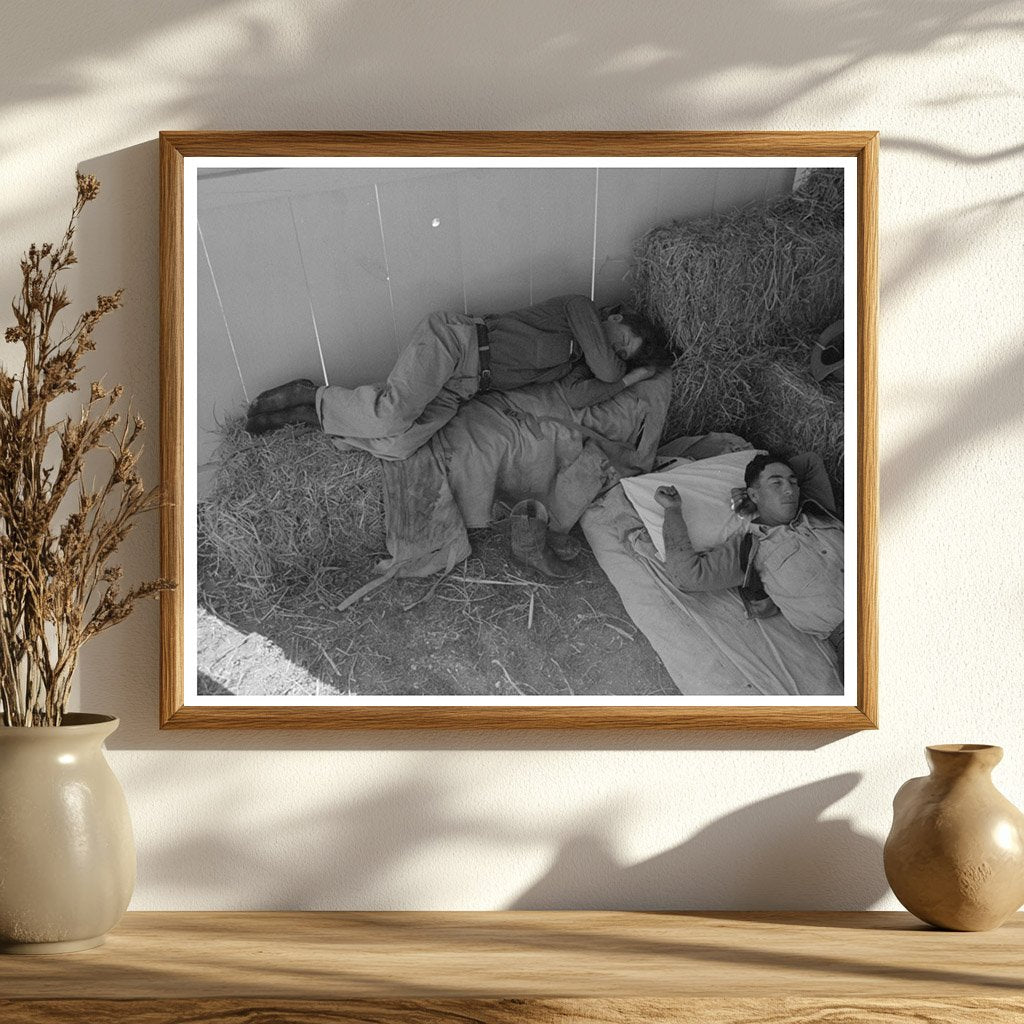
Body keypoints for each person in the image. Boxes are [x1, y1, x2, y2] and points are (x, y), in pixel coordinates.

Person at [244, 295, 672, 460]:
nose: (614, 353)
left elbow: (580, 398)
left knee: (400, 444)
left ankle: (318, 420)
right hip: (457, 344)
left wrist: (629, 383)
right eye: (621, 341)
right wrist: (627, 370)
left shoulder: (580, 363)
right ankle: (311, 394)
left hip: (464, 387)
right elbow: (608, 369)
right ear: (616, 318)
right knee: (391, 415)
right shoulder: (578, 309)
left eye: (621, 354)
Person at [653, 451, 844, 660]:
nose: (790, 490)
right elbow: (687, 576)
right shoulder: (749, 548)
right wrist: (672, 510)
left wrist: (761, 496)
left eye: (793, 482)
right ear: (754, 494)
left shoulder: (814, 509)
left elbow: (810, 462)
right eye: (776, 483)